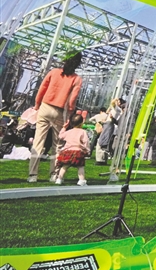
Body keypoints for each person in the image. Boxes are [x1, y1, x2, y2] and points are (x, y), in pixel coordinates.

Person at [28, 52, 83, 183]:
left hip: (45, 107)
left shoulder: (54, 72)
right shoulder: (76, 79)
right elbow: (72, 100)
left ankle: (32, 175)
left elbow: (42, 89)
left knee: (38, 142)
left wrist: (37, 105)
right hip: (61, 111)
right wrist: (70, 113)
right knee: (57, 145)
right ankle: (54, 174)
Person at [53, 113, 90, 186]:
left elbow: (60, 136)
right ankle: (81, 180)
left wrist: (64, 128)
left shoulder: (69, 132)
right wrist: (87, 150)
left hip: (68, 152)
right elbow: (86, 141)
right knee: (80, 166)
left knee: (65, 166)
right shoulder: (83, 132)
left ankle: (59, 179)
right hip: (78, 152)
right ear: (81, 123)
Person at [95, 97, 123, 165]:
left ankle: (100, 160)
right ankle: (103, 159)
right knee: (104, 142)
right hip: (108, 124)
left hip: (109, 125)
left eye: (118, 101)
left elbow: (112, 103)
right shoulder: (116, 109)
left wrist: (115, 99)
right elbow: (108, 111)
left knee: (102, 142)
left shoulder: (117, 108)